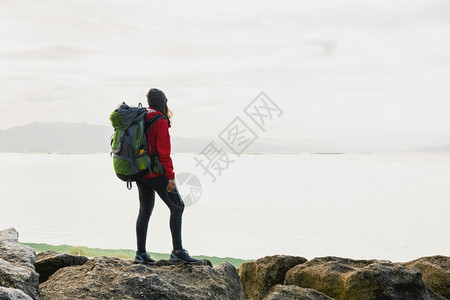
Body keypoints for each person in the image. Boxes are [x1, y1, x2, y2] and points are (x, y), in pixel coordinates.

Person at [134, 88, 198, 265]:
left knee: (145, 210)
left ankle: (140, 254)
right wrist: (170, 176)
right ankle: (177, 252)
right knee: (178, 206)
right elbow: (164, 152)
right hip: (156, 172)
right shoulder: (160, 120)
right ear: (163, 102)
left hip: (140, 172)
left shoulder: (142, 116)